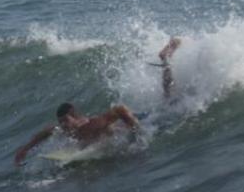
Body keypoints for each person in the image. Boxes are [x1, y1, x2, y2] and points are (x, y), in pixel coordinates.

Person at [13, 39, 180, 165]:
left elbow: (120, 109)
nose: (63, 125)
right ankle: (165, 59)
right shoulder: (66, 130)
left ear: (75, 116)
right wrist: (25, 149)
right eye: (61, 122)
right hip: (125, 125)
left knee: (168, 102)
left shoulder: (92, 125)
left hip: (144, 119)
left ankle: (165, 58)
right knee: (166, 98)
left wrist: (138, 135)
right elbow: (44, 133)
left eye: (65, 121)